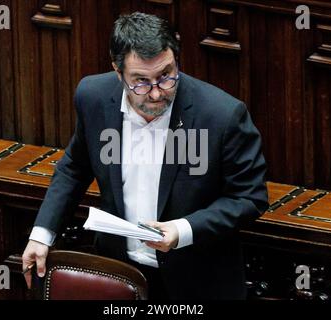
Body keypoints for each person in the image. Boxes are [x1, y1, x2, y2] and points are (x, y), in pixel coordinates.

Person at [22, 11, 268, 300]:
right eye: (140, 81)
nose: (155, 93)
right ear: (118, 71)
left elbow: (249, 198)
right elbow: (74, 168)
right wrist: (42, 233)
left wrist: (183, 229)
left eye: (166, 76)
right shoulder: (94, 97)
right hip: (119, 273)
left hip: (195, 282)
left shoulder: (222, 115)